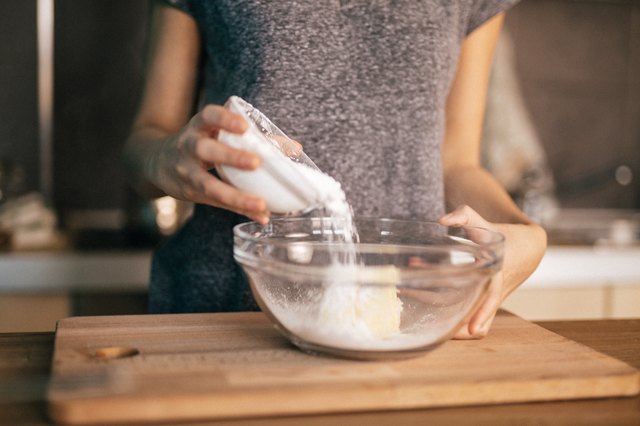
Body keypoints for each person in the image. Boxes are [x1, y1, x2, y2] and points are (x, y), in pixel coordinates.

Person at [124, 0, 547, 339]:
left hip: (402, 317)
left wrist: (526, 233)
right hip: (227, 311)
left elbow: (457, 162)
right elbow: (145, 141)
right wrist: (166, 158)